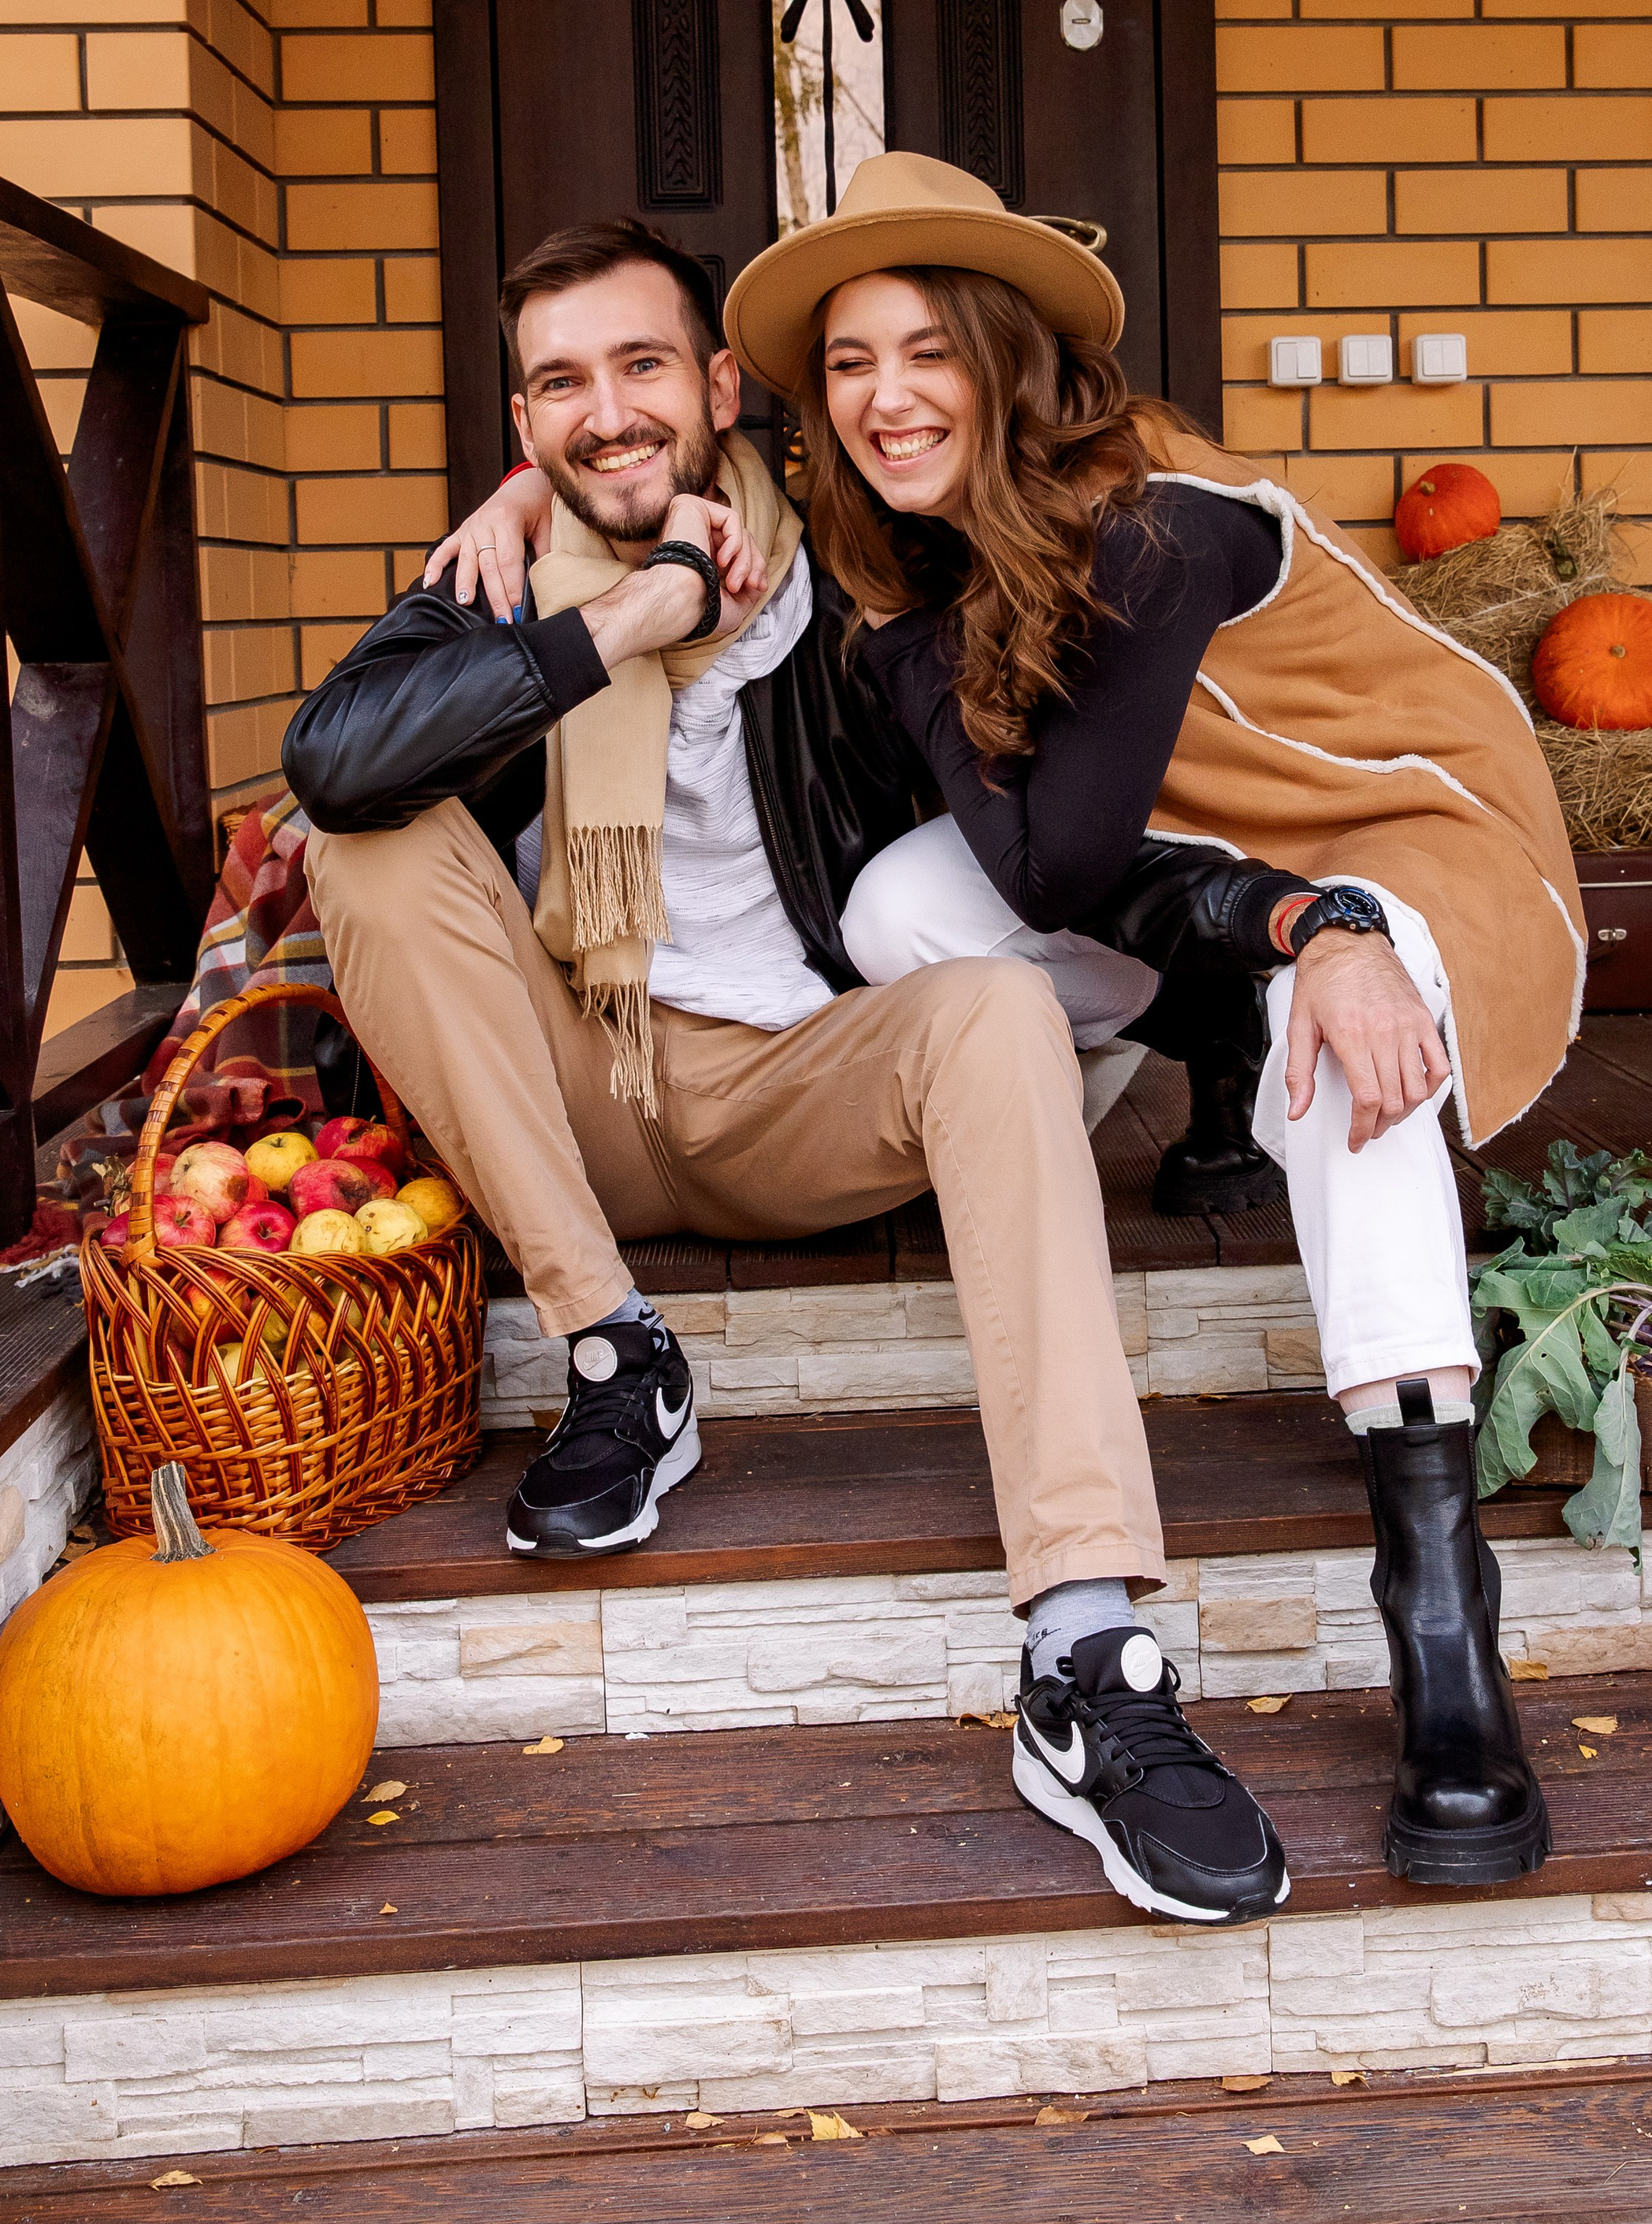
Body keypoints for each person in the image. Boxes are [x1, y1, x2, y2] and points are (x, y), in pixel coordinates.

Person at [449, 157, 1586, 1892]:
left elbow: (1058, 850)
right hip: (1193, 872)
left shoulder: (1158, 518)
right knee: (909, 905)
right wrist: (530, 507)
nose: (886, 398)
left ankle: (1440, 1616)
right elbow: (1022, 857)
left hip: (1391, 835)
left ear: (1001, 356)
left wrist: (1324, 921)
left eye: (926, 353)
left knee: (1328, 1042)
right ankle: (1227, 1016)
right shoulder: (894, 560)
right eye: (848, 365)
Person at [282, 217, 1289, 1928]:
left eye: (640, 368)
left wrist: (1274, 922)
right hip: (581, 1097)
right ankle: (620, 1359)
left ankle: (1085, 1648)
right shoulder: (501, 580)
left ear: (720, 387)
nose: (604, 415)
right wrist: (624, 614)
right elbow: (337, 758)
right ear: (520, 421)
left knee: (986, 1008)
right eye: (559, 386)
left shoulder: (863, 564)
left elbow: (1068, 626)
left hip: (811, 1083)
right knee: (362, 845)